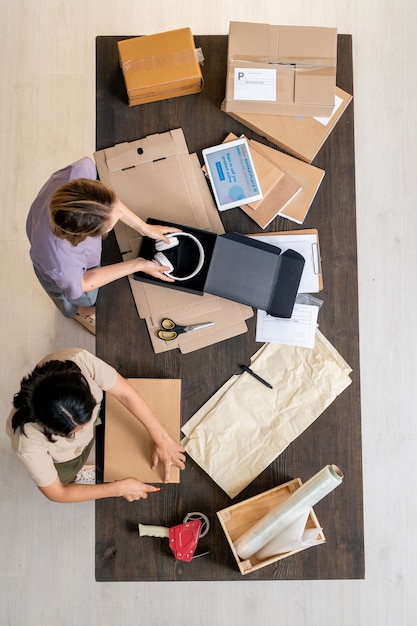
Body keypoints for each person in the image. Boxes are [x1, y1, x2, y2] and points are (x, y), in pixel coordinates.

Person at [6, 348, 186, 503]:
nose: (85, 427)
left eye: (88, 413)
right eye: (74, 431)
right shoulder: (27, 443)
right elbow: (57, 492)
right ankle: (76, 476)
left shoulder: (80, 361)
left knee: (89, 441)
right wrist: (118, 489)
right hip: (62, 458)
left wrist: (162, 438)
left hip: (74, 444)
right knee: (68, 476)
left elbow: (126, 395)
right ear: (49, 428)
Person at [26, 157, 178, 334]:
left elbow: (110, 205)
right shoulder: (61, 263)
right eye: (110, 225)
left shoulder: (80, 171)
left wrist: (145, 228)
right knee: (69, 297)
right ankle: (75, 312)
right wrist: (138, 264)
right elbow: (83, 283)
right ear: (86, 234)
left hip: (42, 230)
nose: (119, 213)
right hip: (59, 271)